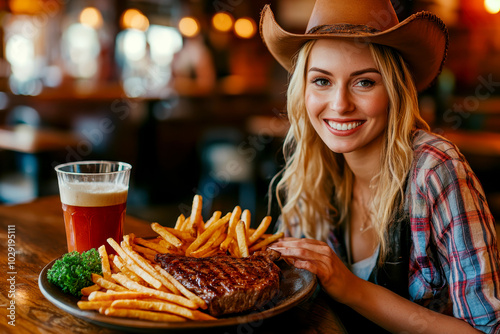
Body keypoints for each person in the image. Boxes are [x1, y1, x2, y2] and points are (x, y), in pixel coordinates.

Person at [260, 0, 500, 333]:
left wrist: (352, 289)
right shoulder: (308, 172)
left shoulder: (435, 169)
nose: (340, 104)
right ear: (303, 91)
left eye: (364, 82)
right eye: (321, 81)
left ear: (395, 90)